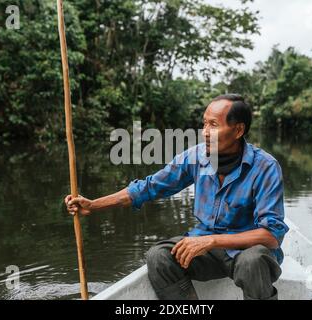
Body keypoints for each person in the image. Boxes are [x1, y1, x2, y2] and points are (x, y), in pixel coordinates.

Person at [64, 94, 288, 300]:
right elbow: (150, 187)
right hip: (207, 249)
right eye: (204, 123)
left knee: (253, 261)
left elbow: (271, 236)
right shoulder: (196, 156)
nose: (205, 132)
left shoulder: (265, 167)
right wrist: (93, 205)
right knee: (159, 257)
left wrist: (212, 240)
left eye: (214, 125)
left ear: (238, 130)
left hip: (246, 251)